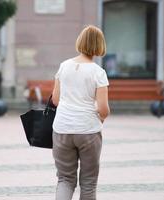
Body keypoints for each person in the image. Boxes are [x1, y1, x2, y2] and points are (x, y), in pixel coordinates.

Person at [51, 25, 110, 200]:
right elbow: (103, 108)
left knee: (65, 180)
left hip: (62, 129)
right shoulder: (98, 73)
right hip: (88, 131)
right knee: (89, 182)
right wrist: (102, 118)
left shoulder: (64, 66)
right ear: (100, 45)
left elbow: (55, 100)